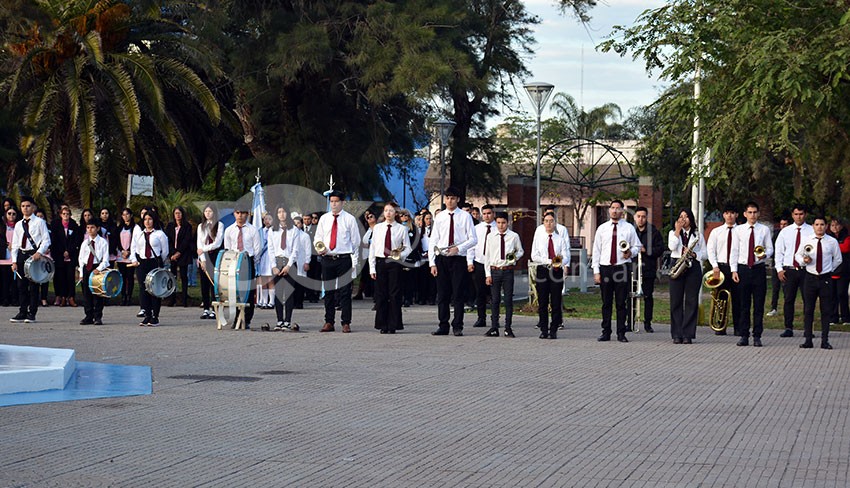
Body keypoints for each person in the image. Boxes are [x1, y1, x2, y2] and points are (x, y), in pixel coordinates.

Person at [429, 187, 477, 336]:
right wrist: (432, 263)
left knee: (458, 294)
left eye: (453, 198)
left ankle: (457, 325)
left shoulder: (465, 216)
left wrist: (459, 248)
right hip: (442, 258)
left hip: (458, 259)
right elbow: (433, 240)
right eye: (448, 198)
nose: (450, 201)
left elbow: (473, 239)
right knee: (442, 294)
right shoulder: (440, 217)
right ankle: (443, 325)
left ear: (458, 200)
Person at [591, 200, 640, 343]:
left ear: (622, 211)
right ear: (609, 210)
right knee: (606, 302)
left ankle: (621, 332)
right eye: (612, 208)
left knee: (621, 302)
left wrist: (630, 253)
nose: (614, 211)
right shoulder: (602, 228)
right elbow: (596, 250)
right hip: (605, 267)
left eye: (618, 208)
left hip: (622, 267)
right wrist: (596, 271)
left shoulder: (629, 228)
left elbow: (637, 246)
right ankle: (606, 332)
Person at [314, 191, 361, 333]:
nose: (333, 204)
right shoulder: (324, 219)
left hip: (344, 259)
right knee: (328, 291)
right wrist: (319, 248)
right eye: (331, 201)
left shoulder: (349, 219)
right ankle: (329, 321)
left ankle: (346, 322)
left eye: (336, 201)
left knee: (345, 291)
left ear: (342, 202)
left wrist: (354, 260)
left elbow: (356, 241)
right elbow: (318, 238)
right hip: (327, 258)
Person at [731, 201, 774, 347]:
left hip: (758, 268)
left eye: (755, 212)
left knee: (758, 304)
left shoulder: (764, 230)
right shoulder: (739, 230)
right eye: (750, 212)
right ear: (745, 214)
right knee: (744, 304)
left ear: (759, 214)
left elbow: (770, 248)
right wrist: (734, 270)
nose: (752, 215)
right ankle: (744, 335)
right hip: (743, 268)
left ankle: (757, 335)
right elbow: (734, 251)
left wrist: (765, 255)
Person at [797, 216, 842, 349]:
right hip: (810, 277)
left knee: (825, 310)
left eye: (822, 224)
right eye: (817, 224)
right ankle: (808, 339)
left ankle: (825, 340)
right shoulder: (807, 240)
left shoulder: (832, 242)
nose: (819, 227)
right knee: (808, 309)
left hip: (825, 278)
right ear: (813, 226)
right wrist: (803, 261)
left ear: (826, 226)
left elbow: (838, 259)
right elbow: (797, 255)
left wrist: (829, 269)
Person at [369, 203, 411, 334]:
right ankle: (382, 324)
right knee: (381, 294)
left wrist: (399, 255)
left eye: (391, 211)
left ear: (396, 213)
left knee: (394, 293)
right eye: (386, 210)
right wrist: (372, 268)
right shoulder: (378, 228)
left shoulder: (401, 229)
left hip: (394, 263)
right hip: (381, 262)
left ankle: (393, 324)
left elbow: (408, 248)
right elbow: (373, 248)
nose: (388, 213)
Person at [668, 209, 707, 344]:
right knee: (676, 301)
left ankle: (688, 334)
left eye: (686, 217)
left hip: (692, 266)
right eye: (681, 217)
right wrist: (677, 231)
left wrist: (695, 255)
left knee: (691, 301)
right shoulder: (672, 233)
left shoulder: (698, 235)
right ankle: (676, 334)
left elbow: (705, 254)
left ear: (691, 219)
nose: (683, 219)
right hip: (677, 264)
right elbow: (672, 247)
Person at [773, 204, 813, 337]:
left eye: (801, 214)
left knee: (808, 300)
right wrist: (779, 269)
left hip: (806, 270)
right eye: (796, 214)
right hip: (789, 270)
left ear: (805, 215)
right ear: (792, 215)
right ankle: (788, 327)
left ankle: (808, 329)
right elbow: (779, 251)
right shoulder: (785, 231)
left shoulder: (811, 231)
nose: (799, 217)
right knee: (788, 299)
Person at [9, 197, 51, 323]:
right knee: (21, 285)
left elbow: (46, 240)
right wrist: (14, 261)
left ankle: (32, 313)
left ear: (33, 207)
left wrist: (39, 252)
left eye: (28, 206)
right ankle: (22, 311)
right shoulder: (18, 224)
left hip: (34, 255)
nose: (25, 208)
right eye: (23, 206)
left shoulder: (39, 222)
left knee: (33, 286)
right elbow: (15, 244)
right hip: (21, 255)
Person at [484, 212, 524, 338]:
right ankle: (494, 327)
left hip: (507, 270)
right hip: (495, 270)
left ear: (508, 223)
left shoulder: (514, 236)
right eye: (499, 223)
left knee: (508, 300)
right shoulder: (491, 236)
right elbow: (487, 256)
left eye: (503, 223)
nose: (501, 226)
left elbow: (520, 251)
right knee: (495, 300)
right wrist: (488, 274)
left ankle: (508, 327)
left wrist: (514, 257)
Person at [223, 204, 263, 329]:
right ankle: (236, 318)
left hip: (248, 260)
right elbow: (227, 248)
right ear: (234, 214)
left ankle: (247, 319)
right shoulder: (229, 230)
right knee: (235, 291)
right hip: (234, 261)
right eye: (238, 213)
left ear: (247, 214)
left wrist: (251, 262)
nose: (240, 216)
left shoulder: (253, 230)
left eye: (243, 213)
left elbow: (257, 249)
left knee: (248, 292)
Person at [532, 213, 570, 339]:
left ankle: (553, 329)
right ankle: (543, 329)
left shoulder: (560, 239)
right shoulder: (539, 238)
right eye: (546, 221)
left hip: (556, 271)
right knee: (543, 301)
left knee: (556, 301)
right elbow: (534, 256)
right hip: (543, 270)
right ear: (543, 223)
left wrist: (559, 263)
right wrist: (549, 261)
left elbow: (566, 256)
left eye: (551, 221)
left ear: (555, 223)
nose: (549, 223)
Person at [130, 210, 169, 326]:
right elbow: (135, 248)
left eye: (150, 219)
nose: (147, 222)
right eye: (145, 219)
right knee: (144, 289)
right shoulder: (139, 234)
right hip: (142, 263)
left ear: (154, 220)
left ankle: (155, 316)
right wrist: (135, 260)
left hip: (154, 262)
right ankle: (147, 314)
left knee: (155, 289)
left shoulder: (160, 234)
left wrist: (159, 261)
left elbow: (165, 251)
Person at [706, 204, 739, 335]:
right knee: (721, 298)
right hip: (721, 268)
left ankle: (738, 327)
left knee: (738, 298)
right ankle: (720, 324)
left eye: (732, 213)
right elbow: (711, 250)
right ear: (723, 215)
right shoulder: (716, 232)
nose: (729, 216)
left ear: (737, 215)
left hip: (737, 268)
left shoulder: (741, 231)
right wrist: (715, 266)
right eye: (727, 213)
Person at [268, 205, 302, 331]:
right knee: (278, 293)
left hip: (289, 263)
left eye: (283, 212)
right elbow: (271, 249)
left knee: (288, 293)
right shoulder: (272, 230)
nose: (281, 214)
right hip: (277, 262)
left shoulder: (294, 230)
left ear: (287, 213)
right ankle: (279, 320)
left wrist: (288, 265)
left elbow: (295, 250)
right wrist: (273, 266)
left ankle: (287, 320)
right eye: (279, 212)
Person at [633, 206, 664, 333]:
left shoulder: (654, 232)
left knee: (648, 297)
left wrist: (646, 250)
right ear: (635, 217)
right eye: (638, 216)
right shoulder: (630, 231)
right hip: (633, 269)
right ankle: (630, 322)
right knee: (631, 296)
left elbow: (660, 249)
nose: (641, 219)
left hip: (648, 269)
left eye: (643, 217)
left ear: (646, 218)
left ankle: (647, 323)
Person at [468, 204, 496, 328]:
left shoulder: (498, 228)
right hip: (479, 263)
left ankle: (495, 318)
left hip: (494, 265)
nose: (486, 216)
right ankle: (481, 318)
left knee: (494, 294)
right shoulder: (476, 229)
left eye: (489, 213)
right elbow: (471, 246)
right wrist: (470, 262)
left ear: (493, 214)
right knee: (480, 292)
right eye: (484, 214)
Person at [78, 219, 110, 325]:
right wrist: (81, 273)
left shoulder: (103, 242)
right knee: (86, 294)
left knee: (98, 293)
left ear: (98, 228)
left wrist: (99, 269)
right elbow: (81, 259)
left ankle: (97, 316)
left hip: (97, 268)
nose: (90, 230)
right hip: (87, 268)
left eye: (92, 227)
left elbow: (105, 260)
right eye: (88, 228)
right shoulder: (85, 243)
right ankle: (88, 315)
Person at [196, 204, 223, 320]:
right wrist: (202, 259)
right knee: (204, 283)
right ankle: (206, 308)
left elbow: (217, 243)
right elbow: (199, 243)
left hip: (215, 255)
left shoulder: (219, 225)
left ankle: (214, 308)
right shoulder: (201, 226)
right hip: (204, 256)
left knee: (214, 282)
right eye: (206, 211)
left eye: (210, 211)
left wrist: (204, 249)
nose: (207, 213)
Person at [50, 205, 80, 307]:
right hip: (59, 255)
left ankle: (71, 297)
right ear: (60, 215)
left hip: (71, 255)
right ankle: (63, 297)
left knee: (70, 277)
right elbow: (55, 241)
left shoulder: (74, 226)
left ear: (70, 215)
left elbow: (76, 241)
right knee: (61, 277)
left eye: (67, 214)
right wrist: (62, 251)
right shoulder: (56, 225)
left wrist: (69, 251)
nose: (66, 216)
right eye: (64, 214)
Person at [165, 206, 194, 307]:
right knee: (172, 276)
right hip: (172, 255)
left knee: (183, 276)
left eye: (179, 213)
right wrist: (173, 253)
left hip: (183, 254)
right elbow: (168, 240)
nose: (177, 215)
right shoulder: (170, 226)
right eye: (176, 213)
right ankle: (172, 298)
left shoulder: (187, 226)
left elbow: (187, 240)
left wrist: (179, 252)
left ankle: (184, 299)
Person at [827, 218, 850, 325]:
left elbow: (845, 248)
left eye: (836, 225)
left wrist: (833, 247)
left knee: (842, 294)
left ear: (841, 226)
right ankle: (833, 317)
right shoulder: (827, 237)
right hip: (830, 270)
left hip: (844, 271)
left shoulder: (846, 237)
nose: (835, 227)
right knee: (832, 295)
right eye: (832, 225)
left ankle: (845, 317)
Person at [767, 217, 790, 316]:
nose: (783, 226)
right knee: (775, 287)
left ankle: (787, 308)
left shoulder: (791, 234)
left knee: (787, 289)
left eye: (785, 224)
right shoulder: (776, 234)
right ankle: (773, 308)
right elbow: (772, 249)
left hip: (787, 264)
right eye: (781, 224)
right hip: (776, 264)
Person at [114, 208, 136, 306]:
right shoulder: (120, 228)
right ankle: (123, 296)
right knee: (122, 277)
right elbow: (117, 240)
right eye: (123, 215)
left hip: (131, 255)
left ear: (131, 215)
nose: (125, 216)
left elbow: (135, 241)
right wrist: (122, 250)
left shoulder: (135, 227)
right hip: (121, 255)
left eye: (127, 214)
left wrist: (129, 251)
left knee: (130, 277)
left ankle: (129, 296)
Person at [1, 206, 18, 307]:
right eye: (9, 213)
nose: (11, 215)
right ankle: (5, 299)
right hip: (4, 257)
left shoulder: (19, 226)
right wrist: (7, 244)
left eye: (13, 214)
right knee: (4, 281)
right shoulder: (2, 227)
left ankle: (15, 299)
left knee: (14, 281)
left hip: (15, 258)